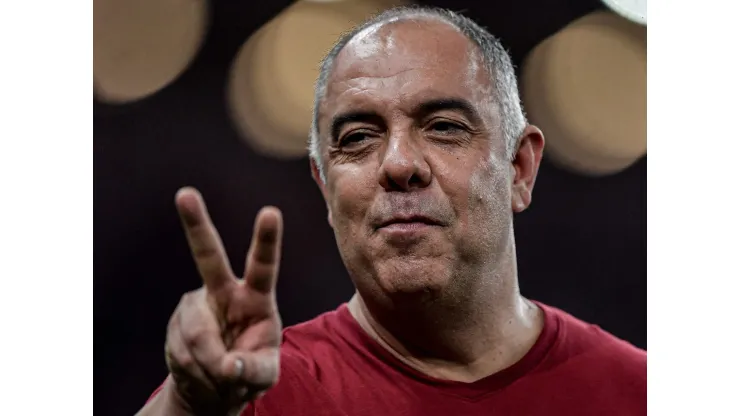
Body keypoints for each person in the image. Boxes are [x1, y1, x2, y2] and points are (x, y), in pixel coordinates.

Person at [136, 6, 646, 416]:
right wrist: (188, 405)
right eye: (357, 139)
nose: (399, 164)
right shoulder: (250, 394)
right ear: (326, 191)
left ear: (519, 168)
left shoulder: (641, 394)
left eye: (444, 126)